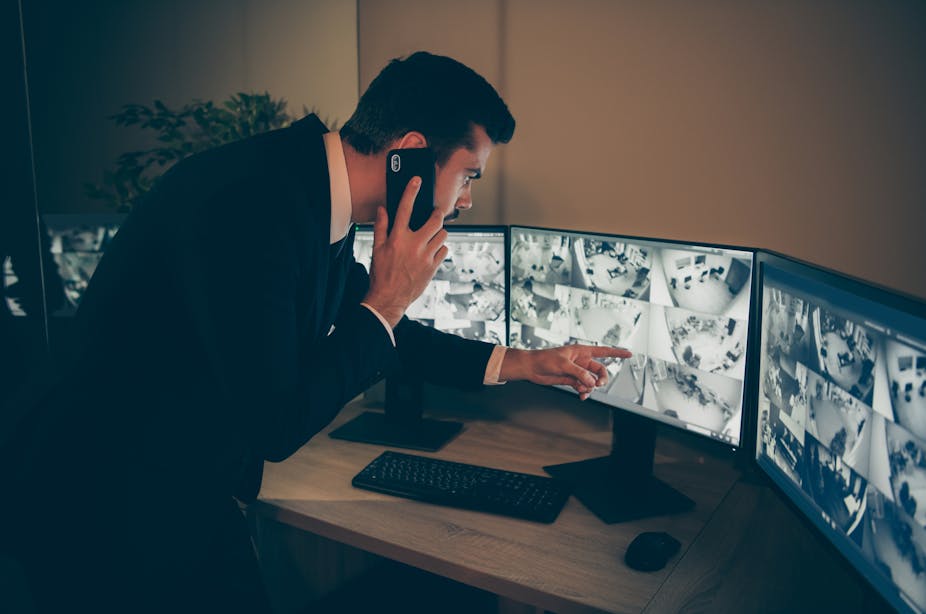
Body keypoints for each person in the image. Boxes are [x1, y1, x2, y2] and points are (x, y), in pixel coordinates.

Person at [3, 51, 630, 612]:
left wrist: (523, 363)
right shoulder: (254, 205)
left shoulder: (306, 189)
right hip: (101, 500)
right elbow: (277, 422)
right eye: (469, 175)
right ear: (408, 151)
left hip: (167, 480)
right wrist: (385, 302)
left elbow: (377, 327)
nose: (467, 200)